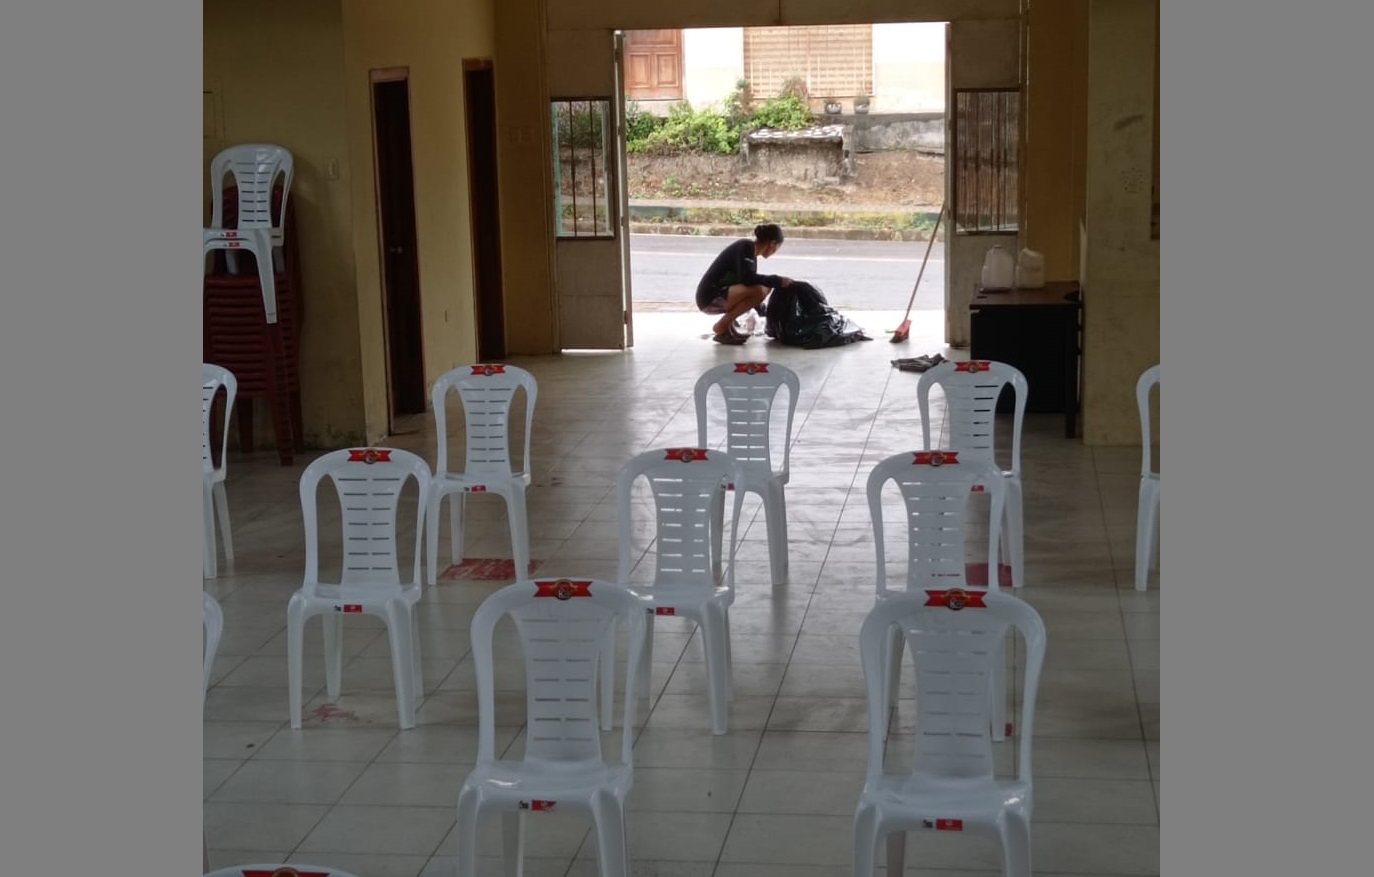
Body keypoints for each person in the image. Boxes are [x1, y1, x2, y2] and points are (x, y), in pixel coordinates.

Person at [695, 223, 792, 344]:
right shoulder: (746, 246)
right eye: (777, 248)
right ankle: (722, 325)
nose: (775, 251)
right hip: (709, 297)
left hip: (719, 295)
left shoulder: (751, 253)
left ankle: (727, 328)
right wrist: (778, 280)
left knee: (765, 287)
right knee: (761, 290)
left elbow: (748, 284)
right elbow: (748, 279)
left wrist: (762, 309)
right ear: (772, 244)